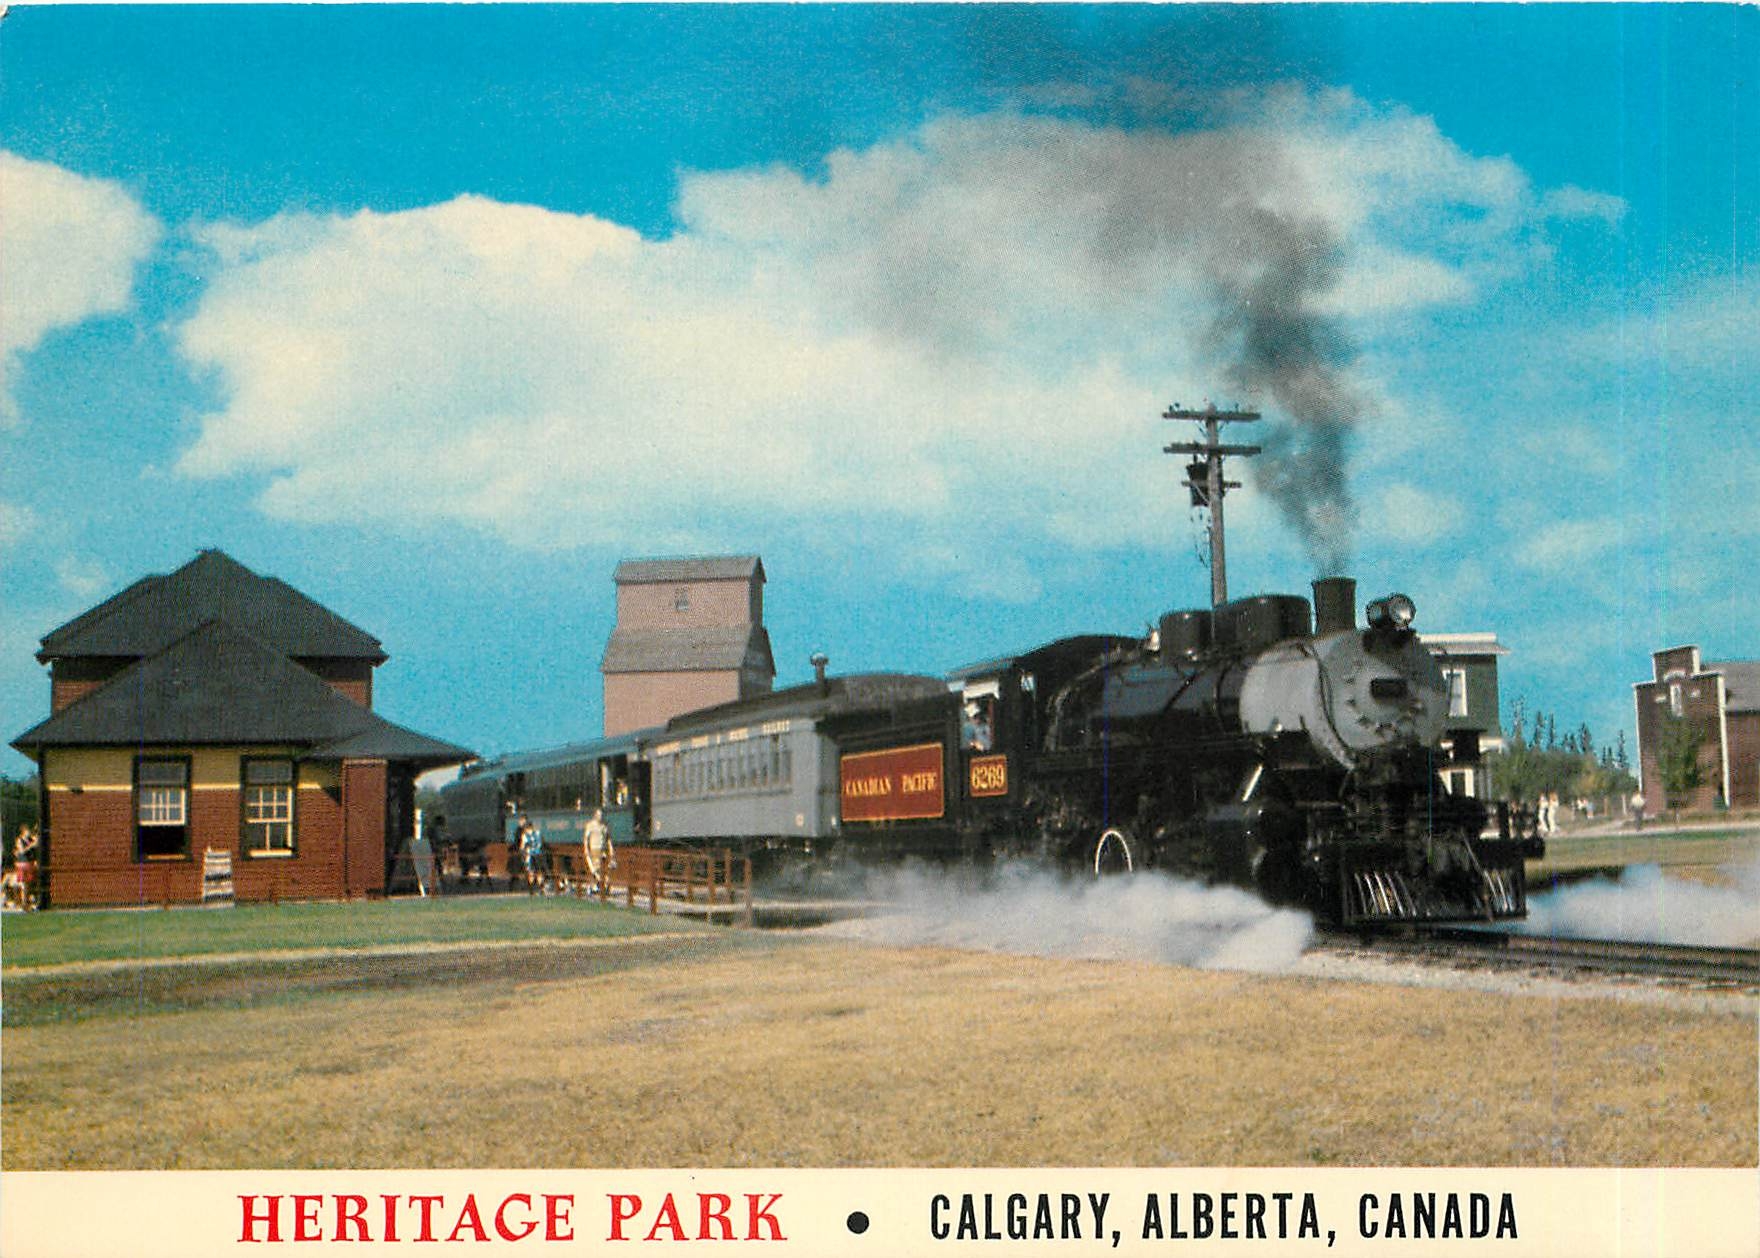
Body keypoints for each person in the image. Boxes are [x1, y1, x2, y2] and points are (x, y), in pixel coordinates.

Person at [582, 808, 614, 899]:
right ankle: (593, 886)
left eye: (602, 815)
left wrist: (611, 849)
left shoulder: (604, 826)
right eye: (599, 815)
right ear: (595, 815)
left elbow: (608, 839)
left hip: (603, 850)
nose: (601, 817)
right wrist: (586, 849)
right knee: (595, 869)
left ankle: (601, 886)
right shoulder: (590, 825)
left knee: (604, 869)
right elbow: (586, 839)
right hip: (594, 849)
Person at [516, 815, 545, 894]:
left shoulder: (525, 835)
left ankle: (533, 889)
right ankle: (540, 888)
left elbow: (522, 847)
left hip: (531, 855)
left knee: (532, 872)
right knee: (538, 872)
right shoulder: (538, 833)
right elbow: (541, 843)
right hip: (538, 854)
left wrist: (523, 853)